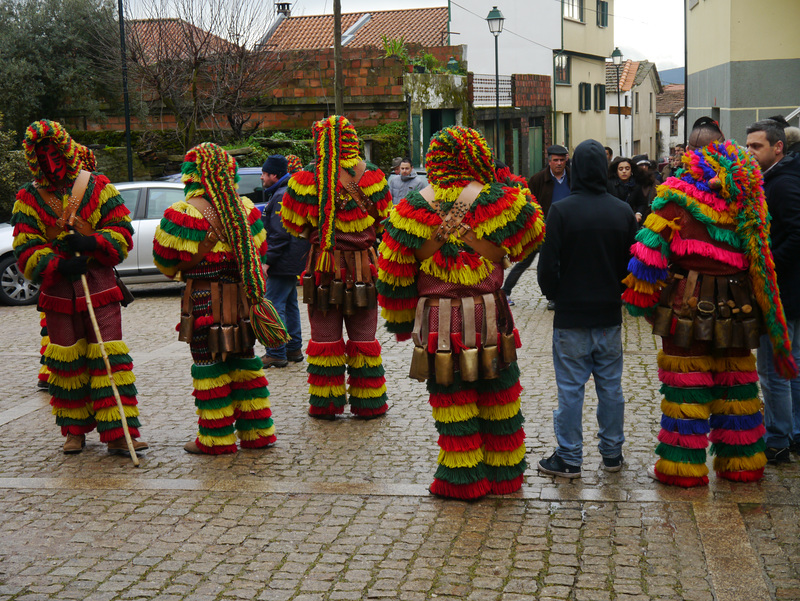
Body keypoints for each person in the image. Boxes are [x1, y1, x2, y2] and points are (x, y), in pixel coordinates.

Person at [623, 117, 796, 487]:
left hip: (688, 303)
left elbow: (646, 254)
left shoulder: (674, 196)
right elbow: (760, 254)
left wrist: (642, 301)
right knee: (738, 384)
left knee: (687, 384)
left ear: (690, 153)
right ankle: (743, 464)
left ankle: (683, 469)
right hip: (739, 307)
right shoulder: (747, 196)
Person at [377, 125, 545, 499]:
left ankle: (462, 478)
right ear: (478, 158)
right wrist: (502, 182)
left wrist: (404, 324)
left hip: (439, 318)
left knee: (451, 396)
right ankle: (504, 475)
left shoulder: (410, 208)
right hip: (492, 313)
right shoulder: (501, 199)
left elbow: (391, 274)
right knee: (499, 392)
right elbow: (533, 234)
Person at [11, 120, 148, 455]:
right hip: (58, 292)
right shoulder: (28, 198)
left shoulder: (97, 186)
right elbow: (25, 249)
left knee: (108, 358)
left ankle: (119, 432)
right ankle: (74, 431)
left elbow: (121, 232)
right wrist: (56, 263)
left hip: (99, 286)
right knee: (67, 364)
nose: (50, 161)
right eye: (41, 155)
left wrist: (91, 242)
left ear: (65, 150)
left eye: (53, 152)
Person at [153, 142, 287, 454]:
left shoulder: (182, 214)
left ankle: (217, 438)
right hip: (242, 298)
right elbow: (261, 251)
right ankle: (257, 434)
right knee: (244, 361)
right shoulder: (246, 210)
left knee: (208, 364)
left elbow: (164, 260)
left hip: (202, 298)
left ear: (191, 176)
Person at [536, 139, 638, 478]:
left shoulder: (562, 211)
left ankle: (569, 458)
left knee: (570, 390)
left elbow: (547, 267)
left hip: (571, 316)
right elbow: (632, 265)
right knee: (611, 388)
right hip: (609, 314)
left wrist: (556, 295)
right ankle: (612, 454)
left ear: (576, 168)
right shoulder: (622, 211)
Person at [281, 115, 392, 420]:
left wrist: (320, 236)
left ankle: (326, 404)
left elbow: (294, 224)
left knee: (325, 337)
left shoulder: (305, 179)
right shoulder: (374, 177)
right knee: (364, 336)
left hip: (323, 267)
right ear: (352, 139)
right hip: (364, 267)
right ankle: (369, 404)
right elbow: (384, 219)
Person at [746, 119, 800, 462]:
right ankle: (793, 432)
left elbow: (797, 233)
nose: (749, 153)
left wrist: (768, 264)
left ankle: (778, 438)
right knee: (791, 365)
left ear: (777, 147)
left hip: (781, 293)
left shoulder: (781, 184)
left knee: (774, 370)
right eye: (748, 146)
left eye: (756, 147)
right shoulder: (779, 177)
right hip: (789, 291)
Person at [260, 154, 311, 368]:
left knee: (273, 305)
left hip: (282, 261)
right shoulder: (286, 191)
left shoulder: (281, 195)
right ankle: (293, 349)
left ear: (274, 174)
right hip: (292, 260)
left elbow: (279, 234)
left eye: (264, 174)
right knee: (290, 304)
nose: (261, 178)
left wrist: (267, 261)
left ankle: (276, 351)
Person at [507, 144, 571, 310]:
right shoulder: (537, 179)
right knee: (525, 262)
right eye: (555, 160)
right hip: (541, 229)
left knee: (564, 263)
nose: (559, 163)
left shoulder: (573, 177)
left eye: (562, 160)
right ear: (549, 161)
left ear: (566, 160)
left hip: (567, 229)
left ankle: (558, 296)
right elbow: (529, 203)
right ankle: (505, 291)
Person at [629, 154, 657, 225]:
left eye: (646, 165)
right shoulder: (629, 182)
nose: (644, 167)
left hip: (650, 220)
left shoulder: (655, 183)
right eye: (641, 165)